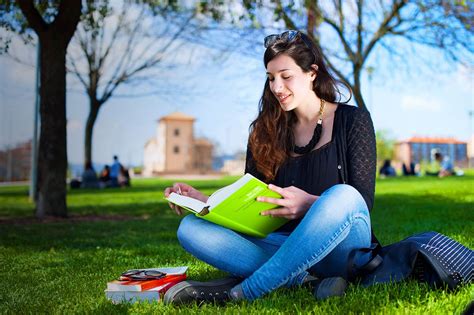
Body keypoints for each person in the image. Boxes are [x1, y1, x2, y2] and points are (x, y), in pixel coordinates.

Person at [163, 30, 377, 304]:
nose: (277, 87)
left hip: (342, 245)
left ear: (312, 73)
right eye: (271, 78)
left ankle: (246, 291)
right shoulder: (264, 131)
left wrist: (310, 204)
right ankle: (304, 280)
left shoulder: (353, 120)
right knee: (190, 228)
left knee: (343, 195)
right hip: (283, 244)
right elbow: (249, 197)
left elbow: (362, 201)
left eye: (286, 76)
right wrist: (204, 201)